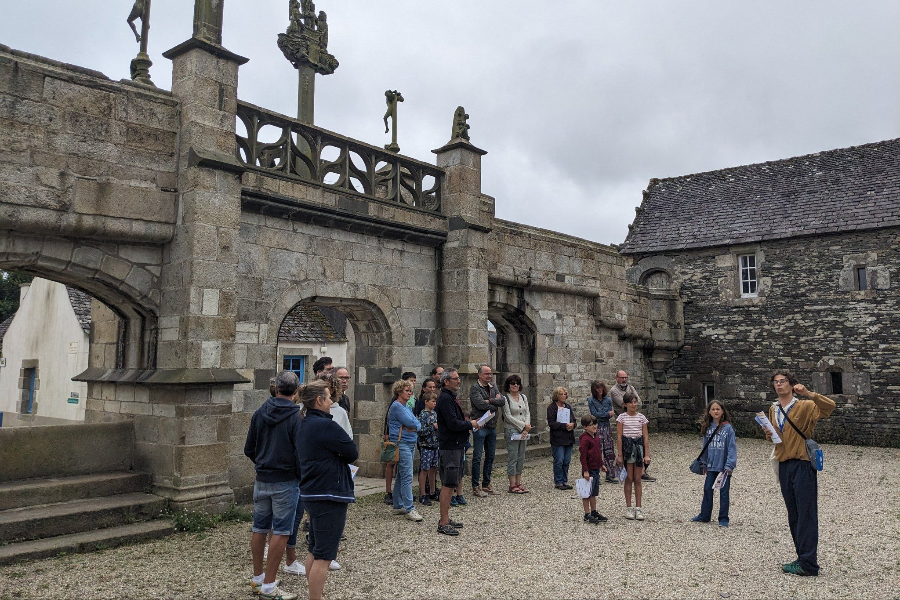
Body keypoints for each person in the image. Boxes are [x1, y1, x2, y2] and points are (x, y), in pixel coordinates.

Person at [766, 370, 835, 577]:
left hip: (803, 463)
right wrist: (770, 434)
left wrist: (809, 393)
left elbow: (829, 407)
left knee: (806, 513)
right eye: (776, 382)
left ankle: (809, 563)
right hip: (784, 463)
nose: (779, 385)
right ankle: (801, 557)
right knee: (794, 513)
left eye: (783, 381)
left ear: (791, 384)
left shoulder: (805, 406)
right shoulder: (773, 409)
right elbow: (776, 437)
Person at [296, 380, 358, 600]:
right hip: (328, 492)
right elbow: (351, 451)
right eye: (328, 397)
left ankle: (316, 595)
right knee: (324, 555)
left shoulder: (303, 423)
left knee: (315, 548)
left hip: (312, 491)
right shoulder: (325, 425)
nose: (332, 400)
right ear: (319, 400)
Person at [245, 371, 304, 600]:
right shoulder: (297, 418)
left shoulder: (260, 412)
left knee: (259, 527)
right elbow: (301, 453)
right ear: (296, 391)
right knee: (281, 530)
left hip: (262, 478)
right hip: (286, 480)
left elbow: (249, 448)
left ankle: (258, 578)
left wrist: (262, 463)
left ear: (276, 388)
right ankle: (269, 587)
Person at [435, 368, 481, 536]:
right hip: (450, 446)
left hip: (456, 445)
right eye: (455, 378)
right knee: (448, 484)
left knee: (453, 483)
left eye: (458, 378)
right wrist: (471, 424)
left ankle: (446, 518)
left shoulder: (451, 398)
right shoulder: (445, 399)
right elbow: (453, 424)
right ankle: (443, 521)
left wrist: (471, 423)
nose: (459, 381)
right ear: (446, 381)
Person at [690, 400, 737, 527]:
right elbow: (705, 447)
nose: (716, 411)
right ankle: (704, 515)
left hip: (724, 467)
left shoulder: (728, 429)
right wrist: (704, 464)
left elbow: (732, 448)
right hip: (711, 466)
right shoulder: (707, 427)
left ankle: (723, 518)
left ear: (722, 411)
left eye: (718, 409)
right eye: (713, 409)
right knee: (707, 490)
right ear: (709, 412)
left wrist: (729, 465)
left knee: (723, 493)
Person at [610, 370, 656, 482]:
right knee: (627, 450)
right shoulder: (614, 390)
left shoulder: (630, 387)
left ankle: (642, 472)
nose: (624, 380)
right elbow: (622, 403)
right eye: (622, 377)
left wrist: (633, 401)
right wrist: (630, 401)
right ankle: (625, 473)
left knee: (640, 447)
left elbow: (639, 401)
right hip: (623, 421)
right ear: (616, 378)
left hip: (634, 420)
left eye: (625, 377)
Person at [388, 379, 423, 522]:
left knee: (402, 475)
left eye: (411, 391)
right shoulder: (397, 406)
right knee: (407, 475)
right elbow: (412, 422)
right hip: (402, 443)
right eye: (407, 391)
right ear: (399, 392)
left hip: (409, 442)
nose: (410, 393)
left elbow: (417, 424)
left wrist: (415, 425)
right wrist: (415, 425)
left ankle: (398, 505)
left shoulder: (406, 406)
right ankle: (409, 508)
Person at [469, 365, 505, 496]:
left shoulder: (493, 386)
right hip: (480, 426)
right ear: (479, 375)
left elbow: (502, 401)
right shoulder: (474, 388)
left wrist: (490, 400)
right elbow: (480, 404)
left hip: (491, 426)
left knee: (490, 456)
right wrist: (494, 404)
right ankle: (475, 486)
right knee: (477, 456)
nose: (489, 376)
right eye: (486, 374)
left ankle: (486, 483)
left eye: (490, 374)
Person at [616, 392, 649, 520]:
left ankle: (638, 507)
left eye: (635, 402)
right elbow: (619, 437)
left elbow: (645, 437)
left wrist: (647, 454)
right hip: (627, 448)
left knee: (638, 478)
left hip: (638, 447)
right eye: (631, 402)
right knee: (628, 478)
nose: (633, 404)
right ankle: (629, 507)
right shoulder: (621, 418)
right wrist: (620, 454)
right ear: (625, 404)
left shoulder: (642, 418)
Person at [501, 373, 531, 493]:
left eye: (517, 383)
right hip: (512, 430)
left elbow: (527, 412)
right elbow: (507, 416)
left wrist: (526, 427)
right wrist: (523, 425)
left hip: (524, 430)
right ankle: (512, 484)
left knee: (521, 456)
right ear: (508, 385)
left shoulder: (523, 397)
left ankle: (519, 482)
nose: (515, 385)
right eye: (513, 383)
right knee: (513, 457)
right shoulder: (505, 398)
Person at [578, 415, 608, 524]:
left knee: (593, 492)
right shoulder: (585, 440)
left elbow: (598, 453)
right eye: (591, 425)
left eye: (595, 424)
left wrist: (602, 464)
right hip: (589, 469)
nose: (594, 426)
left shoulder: (596, 437)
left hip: (596, 468)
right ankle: (587, 514)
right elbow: (583, 456)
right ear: (585, 427)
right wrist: (585, 470)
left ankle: (594, 511)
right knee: (586, 493)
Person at [588, 380, 618, 483]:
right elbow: (595, 414)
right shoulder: (591, 400)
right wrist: (606, 414)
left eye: (600, 387)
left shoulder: (608, 400)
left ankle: (610, 474)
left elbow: (610, 414)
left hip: (607, 427)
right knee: (597, 451)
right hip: (597, 428)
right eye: (597, 388)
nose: (599, 390)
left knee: (609, 451)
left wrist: (604, 414)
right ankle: (595, 476)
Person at [547, 386, 576, 490]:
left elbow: (574, 420)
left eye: (565, 394)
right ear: (556, 396)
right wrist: (564, 426)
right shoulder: (551, 408)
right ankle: (558, 481)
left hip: (568, 438)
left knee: (566, 461)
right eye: (561, 394)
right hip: (558, 438)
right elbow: (551, 423)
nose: (563, 396)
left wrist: (572, 424)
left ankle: (564, 480)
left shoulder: (568, 407)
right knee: (559, 460)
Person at [416, 391, 439, 506]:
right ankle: (422, 493)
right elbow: (420, 431)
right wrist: (432, 427)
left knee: (433, 468)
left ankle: (432, 491)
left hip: (435, 445)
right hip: (426, 446)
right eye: (432, 401)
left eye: (435, 401)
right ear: (426, 402)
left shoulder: (435, 414)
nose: (434, 403)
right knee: (424, 469)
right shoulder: (423, 415)